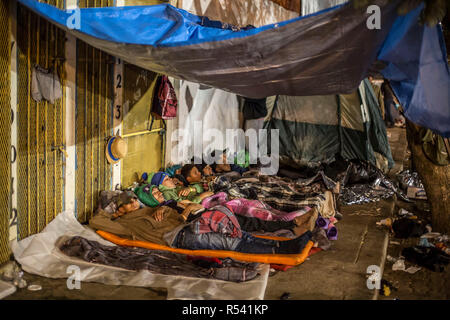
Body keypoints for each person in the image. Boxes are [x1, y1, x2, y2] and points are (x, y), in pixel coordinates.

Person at [89, 193, 314, 254]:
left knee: (235, 231)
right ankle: (284, 248)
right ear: (120, 210)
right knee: (231, 242)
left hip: (185, 227)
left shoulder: (149, 209)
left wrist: (164, 208)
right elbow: (95, 221)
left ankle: (285, 245)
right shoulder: (125, 224)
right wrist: (113, 214)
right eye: (129, 202)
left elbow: (171, 213)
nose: (134, 202)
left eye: (133, 199)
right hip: (179, 238)